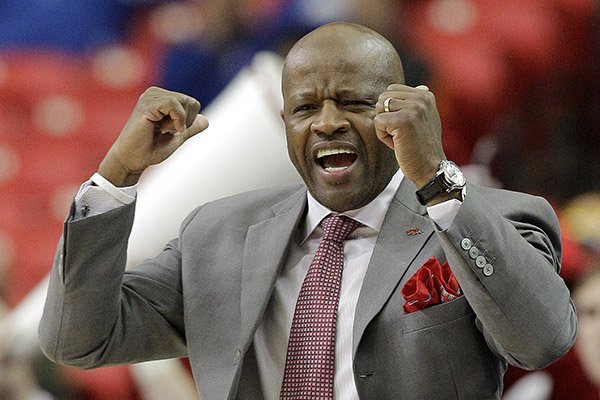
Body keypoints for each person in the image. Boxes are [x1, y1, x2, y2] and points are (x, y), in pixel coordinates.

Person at [38, 22, 576, 399]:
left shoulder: (495, 220)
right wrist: (115, 177)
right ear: (285, 124)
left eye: (353, 102)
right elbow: (77, 340)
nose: (326, 122)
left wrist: (435, 179)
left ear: (403, 109)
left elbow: (541, 340)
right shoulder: (218, 236)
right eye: (305, 108)